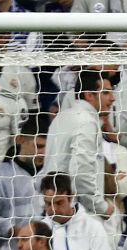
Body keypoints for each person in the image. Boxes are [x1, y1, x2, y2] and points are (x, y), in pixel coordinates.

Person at [43, 69, 116, 219]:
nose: (113, 98)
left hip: (55, 209)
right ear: (89, 95)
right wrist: (100, 206)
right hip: (77, 213)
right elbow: (81, 170)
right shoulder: (86, 121)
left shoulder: (62, 117)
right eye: (107, 92)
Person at [0, 114, 48, 250]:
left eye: (47, 147)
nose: (43, 153)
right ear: (20, 140)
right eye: (39, 146)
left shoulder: (52, 175)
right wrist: (11, 228)